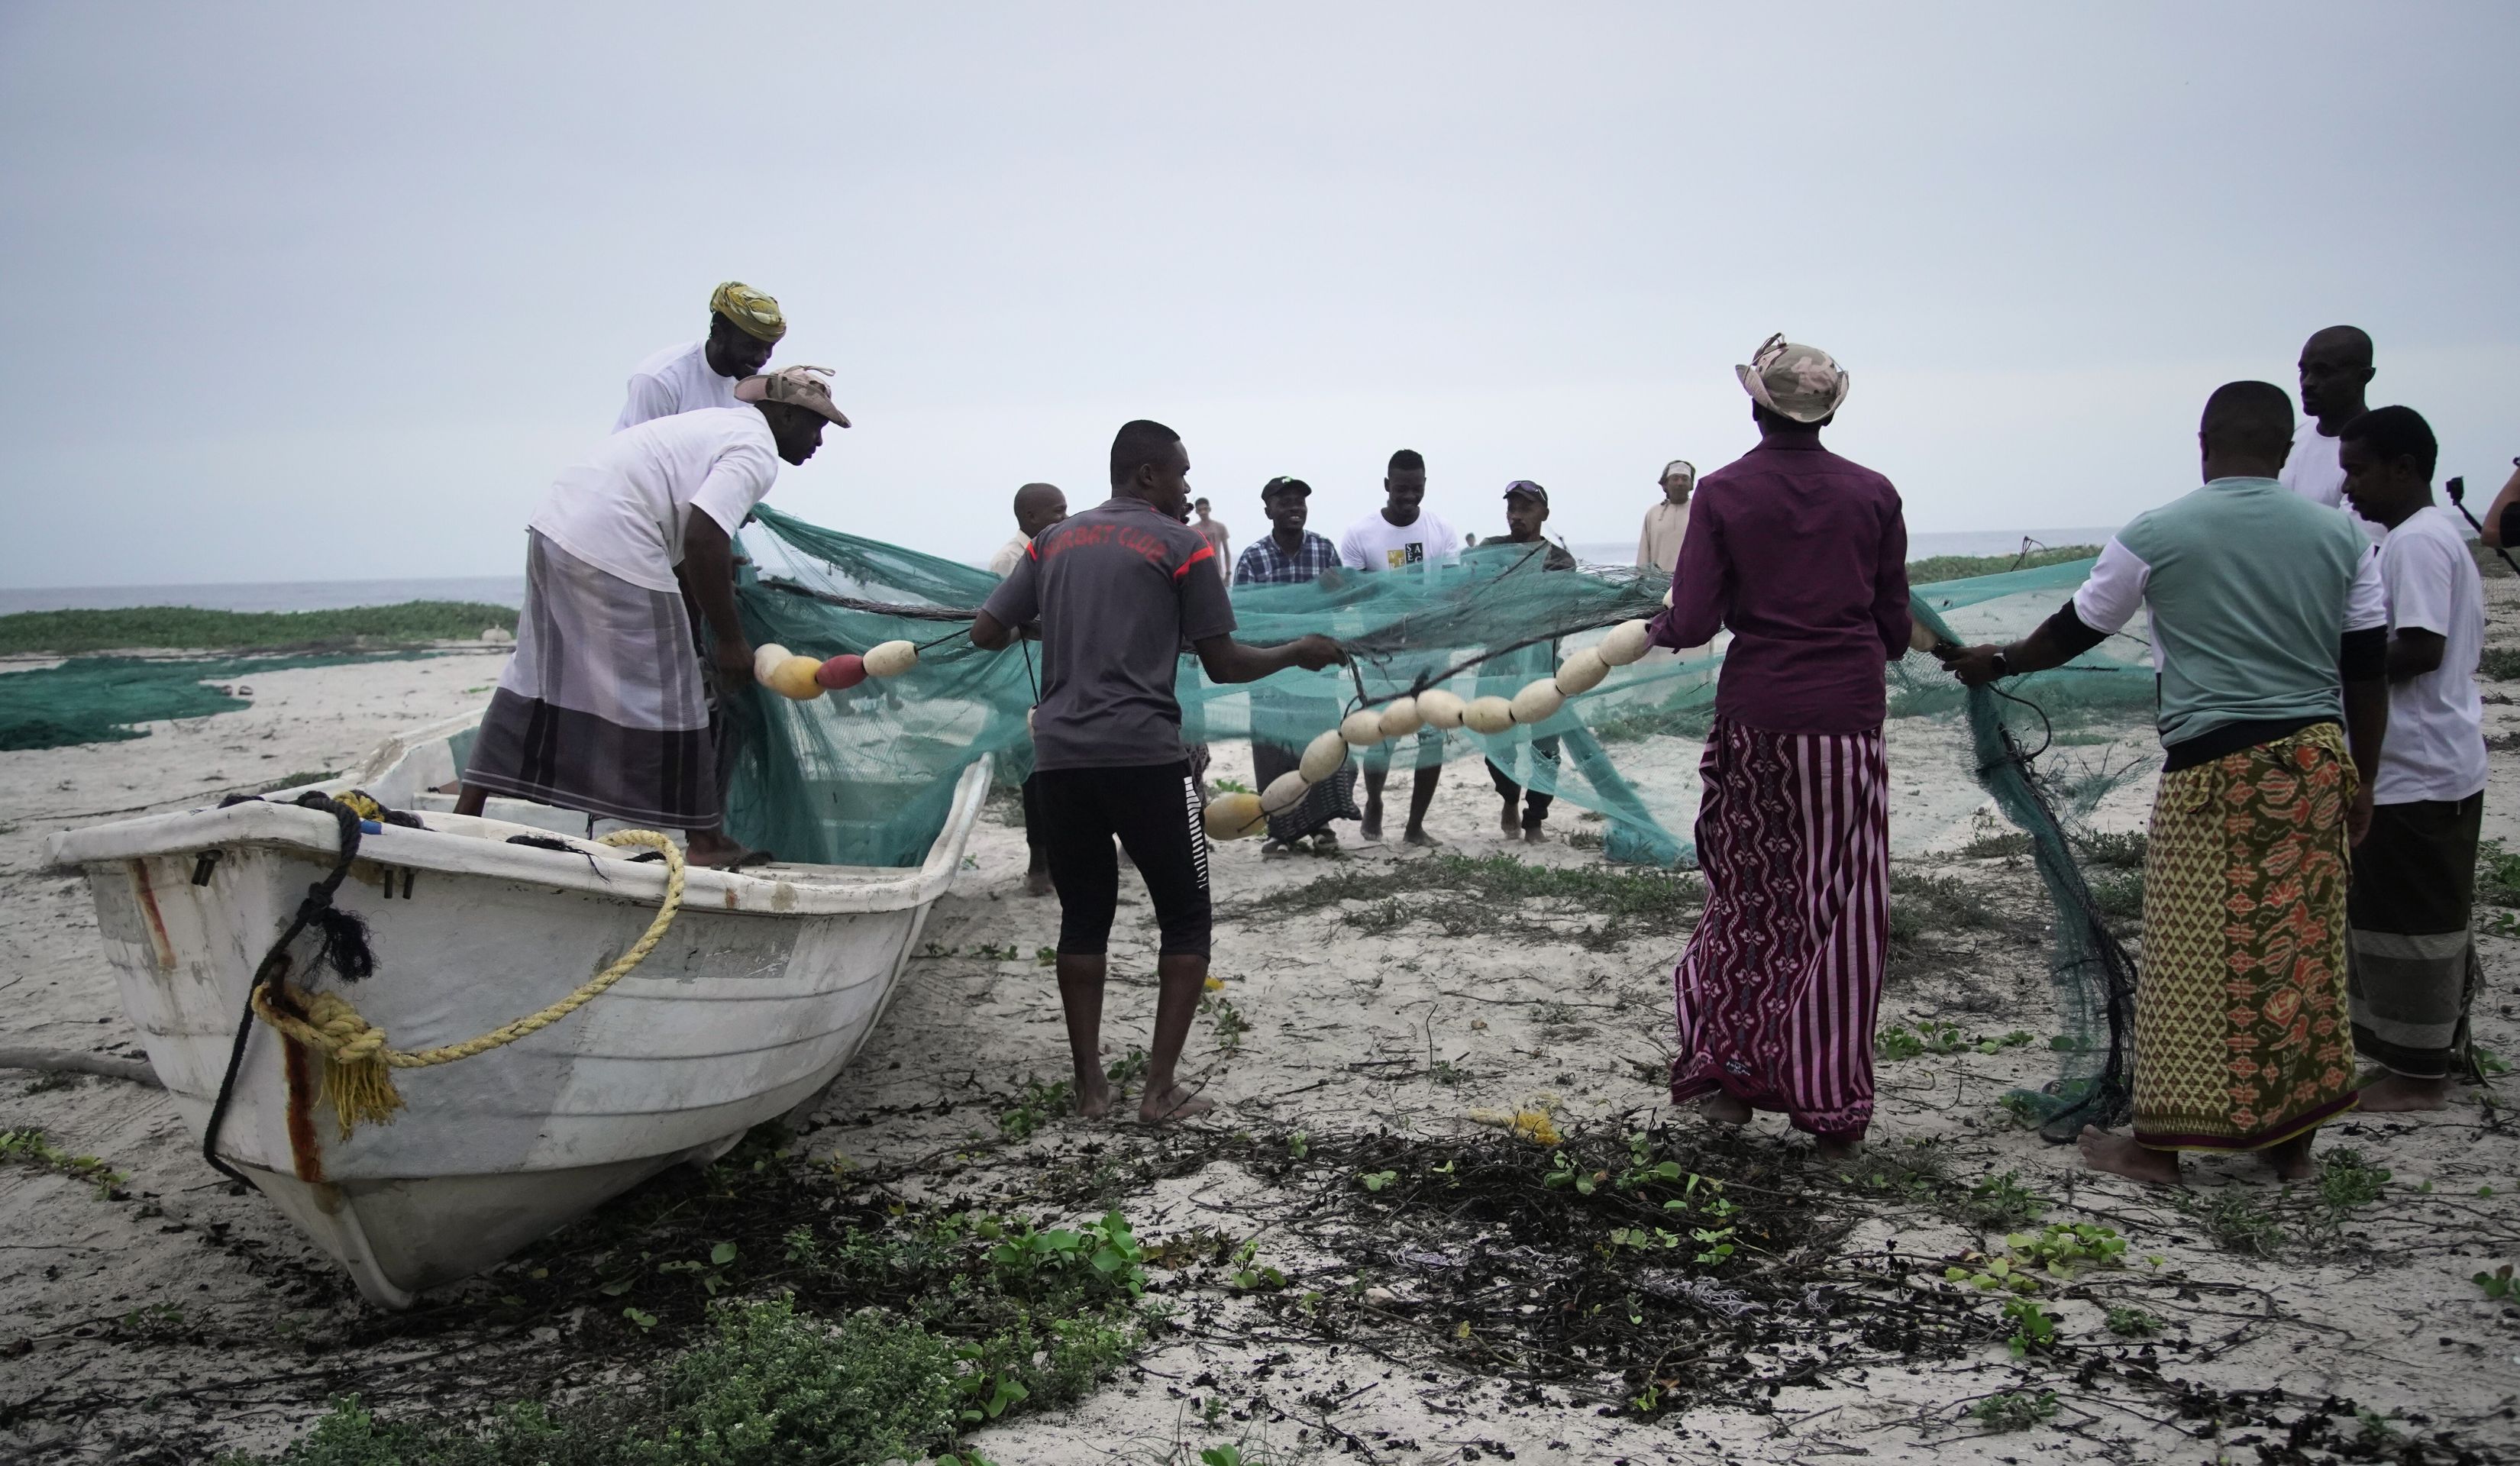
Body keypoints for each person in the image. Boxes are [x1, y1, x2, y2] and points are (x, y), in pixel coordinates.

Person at [1943, 380, 2388, 1185]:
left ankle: (2159, 1147)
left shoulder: (2159, 530)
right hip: (2317, 760)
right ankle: (2290, 1143)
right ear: (2285, 450)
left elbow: (2077, 628)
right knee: (2301, 953)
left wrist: (1998, 662)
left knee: (2193, 954)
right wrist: (2366, 780)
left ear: (2203, 442)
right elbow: (2365, 668)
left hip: (2216, 768)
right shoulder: (2343, 536)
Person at [971, 421, 1345, 1124]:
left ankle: (1090, 1091)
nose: (1187, 486)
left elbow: (985, 632)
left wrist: (1065, 623)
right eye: (1180, 473)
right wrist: (1300, 649)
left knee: (1084, 918)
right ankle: (1158, 1091)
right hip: (1146, 758)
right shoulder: (1183, 545)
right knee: (1186, 916)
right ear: (1146, 474)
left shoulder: (1052, 542)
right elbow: (1225, 663)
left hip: (1060, 761)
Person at [1644, 335, 1906, 1161]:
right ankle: (1834, 1112)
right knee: (1843, 908)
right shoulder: (1874, 494)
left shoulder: (1723, 494)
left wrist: (1649, 627)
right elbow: (1894, 630)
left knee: (1749, 894)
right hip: (1845, 724)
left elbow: (1690, 623)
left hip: (1755, 721)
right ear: (1829, 413)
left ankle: (1728, 1079)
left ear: (1756, 406)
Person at [457, 366, 850, 867]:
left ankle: (467, 810)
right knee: (679, 688)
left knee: (537, 674)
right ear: (785, 415)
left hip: (555, 524)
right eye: (815, 426)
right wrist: (730, 642)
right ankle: (706, 841)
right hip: (614, 539)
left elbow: (691, 547)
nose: (819, 441)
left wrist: (705, 610)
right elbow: (706, 537)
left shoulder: (716, 427)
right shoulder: (755, 451)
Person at [2337, 405, 2487, 1112]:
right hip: (2428, 761)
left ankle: (2419, 1075)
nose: (2349, 488)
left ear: (2405, 468)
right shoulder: (2421, 538)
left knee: (2414, 920)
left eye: (2360, 470)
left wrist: (2335, 667)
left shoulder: (2417, 543)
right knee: (2401, 911)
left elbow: (2419, 649)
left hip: (2417, 766)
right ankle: (2416, 1057)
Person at [1233, 476, 1359, 855]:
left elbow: (1342, 602)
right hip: (1271, 669)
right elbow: (1243, 617)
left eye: (1300, 501)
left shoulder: (1323, 550)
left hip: (1317, 671)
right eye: (1285, 501)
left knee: (1320, 745)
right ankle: (1281, 829)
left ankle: (1322, 826)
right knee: (1274, 747)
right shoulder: (1254, 557)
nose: (1295, 507)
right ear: (1268, 509)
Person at [1339, 450, 1459, 844]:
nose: (1409, 496)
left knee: (1432, 737)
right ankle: (1374, 802)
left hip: (1433, 653)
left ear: (1425, 486)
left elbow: (1453, 589)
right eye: (1402, 488)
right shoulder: (1360, 534)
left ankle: (1415, 825)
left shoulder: (1442, 530)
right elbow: (1352, 594)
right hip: (1383, 656)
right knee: (1380, 735)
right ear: (1387, 485)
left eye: (1417, 488)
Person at [1475, 481, 1576, 841]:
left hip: (1543, 667)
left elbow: (1560, 611)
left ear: (1544, 514)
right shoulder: (1490, 551)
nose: (1516, 514)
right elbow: (1472, 592)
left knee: (1545, 748)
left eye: (1526, 507)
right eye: (1512, 508)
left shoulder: (1560, 561)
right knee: (1495, 742)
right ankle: (1509, 797)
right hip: (1497, 665)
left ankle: (1534, 818)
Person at [990, 483, 1071, 895]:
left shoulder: (1058, 552)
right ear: (1030, 519)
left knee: (1060, 769)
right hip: (1020, 678)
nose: (1065, 519)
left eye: (1066, 511)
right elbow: (1002, 621)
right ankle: (1038, 863)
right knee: (1033, 771)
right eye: (1057, 512)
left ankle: (1059, 859)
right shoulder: (1009, 559)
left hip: (1053, 674)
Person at [614, 282, 787, 431]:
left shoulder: (760, 386)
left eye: (769, 348)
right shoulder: (661, 379)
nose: (762, 358)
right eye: (751, 346)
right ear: (718, 333)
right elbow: (642, 460)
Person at [2280, 325, 2383, 541]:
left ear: (2364, 377)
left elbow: (2356, 548)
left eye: (2322, 372)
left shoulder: (2377, 454)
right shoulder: (2295, 437)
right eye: (2304, 371)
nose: (2307, 383)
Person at [990, 483, 1069, 576]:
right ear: (1032, 517)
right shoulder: (1008, 560)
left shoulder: (1057, 553)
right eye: (1059, 511)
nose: (1067, 518)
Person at [1636, 459, 1696, 577]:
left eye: (1685, 479)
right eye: (1675, 478)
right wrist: (1639, 582)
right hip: (1658, 586)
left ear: (1691, 485)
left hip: (1692, 584)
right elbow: (1644, 554)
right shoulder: (1653, 514)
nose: (1680, 483)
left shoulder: (1699, 512)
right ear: (1665, 484)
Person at [1191, 498, 1233, 583]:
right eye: (1200, 510)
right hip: (1199, 574)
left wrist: (1228, 574)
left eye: (1205, 509)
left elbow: (1227, 552)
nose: (1203, 512)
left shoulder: (1220, 527)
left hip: (1218, 572)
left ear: (1209, 509)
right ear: (1196, 512)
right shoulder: (1192, 530)